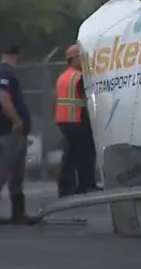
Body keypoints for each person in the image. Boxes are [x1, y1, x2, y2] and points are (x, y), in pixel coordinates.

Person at [0, 45, 37, 226]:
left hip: (16, 133)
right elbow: (4, 99)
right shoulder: (4, 73)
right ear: (17, 55)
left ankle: (18, 213)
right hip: (9, 131)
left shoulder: (7, 73)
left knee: (17, 174)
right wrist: (17, 121)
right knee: (2, 172)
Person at [55, 44, 97, 197]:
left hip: (64, 120)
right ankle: (85, 185)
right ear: (73, 59)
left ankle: (67, 187)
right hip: (76, 119)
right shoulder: (79, 77)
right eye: (81, 57)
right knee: (84, 154)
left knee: (71, 155)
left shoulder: (63, 76)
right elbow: (86, 100)